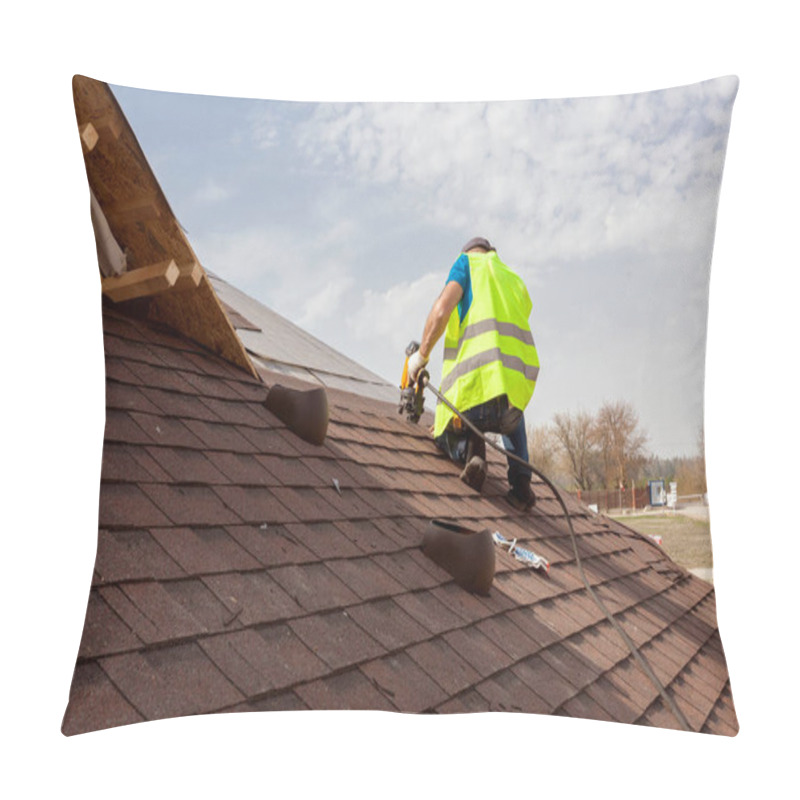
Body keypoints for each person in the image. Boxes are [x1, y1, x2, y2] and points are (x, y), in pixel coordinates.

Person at [407, 237, 540, 510]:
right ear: (492, 253)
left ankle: (471, 453)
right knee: (511, 412)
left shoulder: (466, 264)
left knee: (445, 429)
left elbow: (442, 309)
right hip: (513, 400)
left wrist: (419, 358)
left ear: (468, 253)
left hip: (475, 397)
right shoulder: (511, 277)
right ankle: (522, 484)